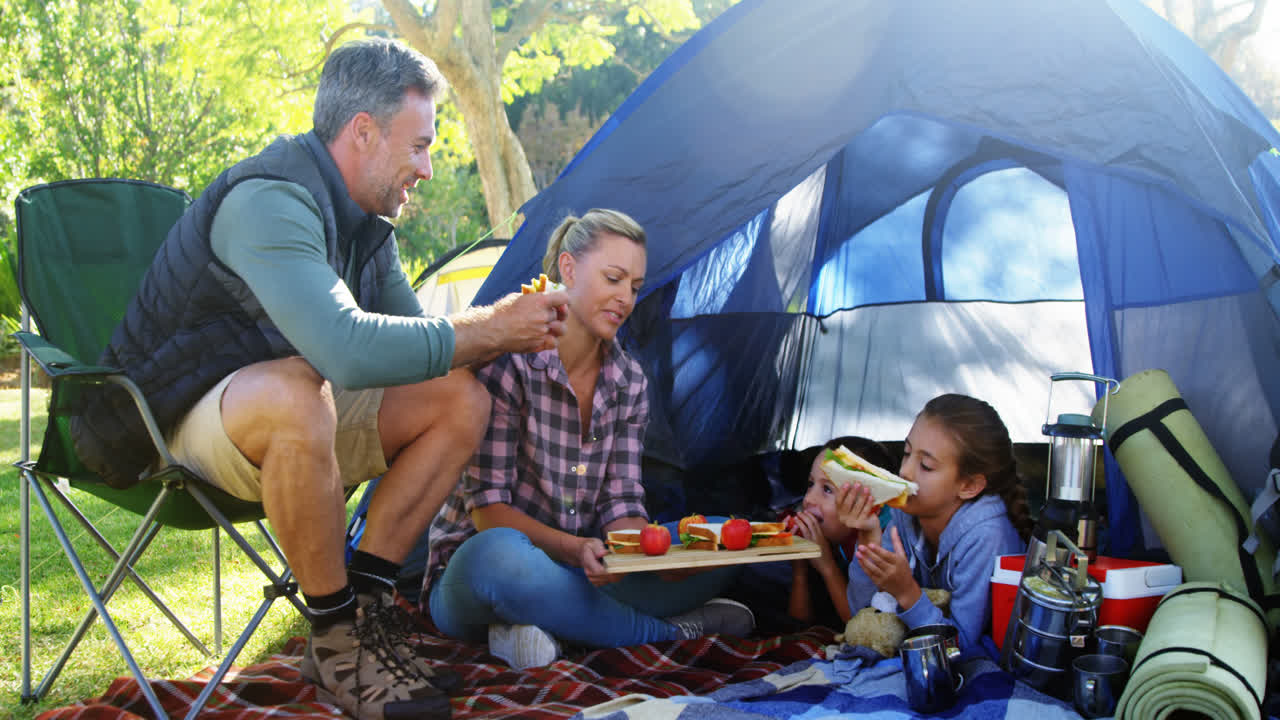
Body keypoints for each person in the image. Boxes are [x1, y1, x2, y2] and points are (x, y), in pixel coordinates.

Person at [70, 38, 569, 720]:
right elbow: (348, 352)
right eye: (418, 146)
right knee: (294, 390)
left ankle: (365, 612)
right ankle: (333, 637)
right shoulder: (268, 202)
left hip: (285, 414)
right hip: (168, 418)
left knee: (456, 398)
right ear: (363, 131)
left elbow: (420, 353)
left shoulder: (369, 228)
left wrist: (526, 325)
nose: (425, 168)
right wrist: (492, 327)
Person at [422, 209, 753, 670]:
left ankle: (547, 631)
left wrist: (654, 555)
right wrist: (573, 549)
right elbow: (488, 513)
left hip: (582, 569)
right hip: (483, 571)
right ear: (569, 269)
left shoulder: (628, 381)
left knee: (722, 537)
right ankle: (666, 634)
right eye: (613, 278)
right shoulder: (510, 364)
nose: (625, 298)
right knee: (502, 559)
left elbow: (621, 503)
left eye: (635, 287)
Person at [839, 394, 1032, 653]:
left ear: (969, 485)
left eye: (926, 466)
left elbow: (959, 647)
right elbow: (863, 617)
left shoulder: (987, 536)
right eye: (906, 453)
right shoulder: (903, 515)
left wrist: (907, 593)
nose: (905, 471)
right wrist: (868, 540)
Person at [784, 437, 895, 631]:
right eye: (811, 484)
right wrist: (800, 563)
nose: (809, 499)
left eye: (827, 489)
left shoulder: (885, 542)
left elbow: (858, 624)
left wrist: (826, 565)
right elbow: (799, 624)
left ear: (870, 505)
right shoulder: (834, 536)